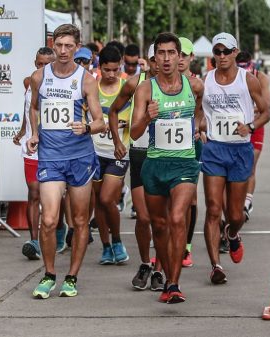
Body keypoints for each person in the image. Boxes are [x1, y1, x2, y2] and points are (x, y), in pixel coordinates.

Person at [27, 24, 105, 299]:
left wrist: (86, 127)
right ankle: (49, 274)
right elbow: (34, 107)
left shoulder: (86, 80)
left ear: (76, 47)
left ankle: (72, 276)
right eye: (58, 45)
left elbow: (100, 122)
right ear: (53, 44)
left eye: (68, 46)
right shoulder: (39, 77)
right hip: (51, 156)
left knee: (80, 220)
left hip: (80, 158)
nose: (62, 51)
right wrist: (35, 133)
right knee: (48, 220)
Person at [130, 33, 205, 304]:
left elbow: (199, 113)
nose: (165, 58)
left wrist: (199, 128)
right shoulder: (145, 90)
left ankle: (173, 283)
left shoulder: (194, 86)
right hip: (154, 163)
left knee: (176, 218)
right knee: (159, 226)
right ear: (154, 57)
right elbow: (134, 132)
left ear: (179, 56)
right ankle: (164, 275)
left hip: (184, 162)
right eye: (160, 53)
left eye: (171, 53)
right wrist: (147, 117)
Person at [202, 33, 270, 285]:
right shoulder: (205, 80)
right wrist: (200, 127)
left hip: (240, 149)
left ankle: (232, 234)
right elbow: (199, 112)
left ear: (234, 53)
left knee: (235, 214)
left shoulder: (248, 80)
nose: (221, 56)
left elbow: (266, 112)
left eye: (225, 51)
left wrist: (250, 127)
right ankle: (215, 266)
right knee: (212, 209)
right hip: (214, 150)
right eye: (217, 52)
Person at [109, 43, 164, 292]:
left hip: (168, 155)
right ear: (148, 60)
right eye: (153, 59)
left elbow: (198, 109)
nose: (157, 63)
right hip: (141, 153)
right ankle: (145, 263)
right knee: (143, 217)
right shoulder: (134, 83)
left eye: (162, 57)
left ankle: (160, 270)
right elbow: (113, 110)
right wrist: (118, 141)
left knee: (161, 220)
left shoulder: (179, 84)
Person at [13, 47, 59, 260]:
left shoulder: (60, 86)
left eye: (47, 64)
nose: (42, 68)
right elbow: (27, 109)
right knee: (33, 192)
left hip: (54, 148)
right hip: (32, 148)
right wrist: (24, 131)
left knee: (56, 197)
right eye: (39, 64)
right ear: (35, 63)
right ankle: (34, 241)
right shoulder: (28, 83)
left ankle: (59, 229)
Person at [91, 46, 131, 265]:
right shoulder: (92, 88)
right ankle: (106, 247)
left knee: (108, 198)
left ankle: (117, 241)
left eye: (116, 69)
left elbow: (137, 116)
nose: (112, 74)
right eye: (107, 70)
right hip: (94, 151)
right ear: (100, 67)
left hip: (118, 151)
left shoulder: (128, 88)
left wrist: (124, 124)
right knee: (99, 200)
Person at [236, 51, 270, 222]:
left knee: (250, 166)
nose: (244, 71)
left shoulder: (260, 77)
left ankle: (247, 202)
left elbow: (268, 104)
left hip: (255, 126)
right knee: (236, 168)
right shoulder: (231, 76)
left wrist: (250, 110)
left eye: (247, 67)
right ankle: (237, 201)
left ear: (252, 65)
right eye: (241, 67)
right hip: (235, 128)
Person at [177, 36, 203, 268]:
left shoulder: (197, 85)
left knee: (191, 197)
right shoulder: (160, 83)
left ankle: (186, 246)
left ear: (191, 58)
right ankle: (171, 241)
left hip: (191, 145)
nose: (181, 60)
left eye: (185, 55)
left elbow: (204, 112)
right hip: (166, 146)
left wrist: (200, 128)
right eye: (178, 54)